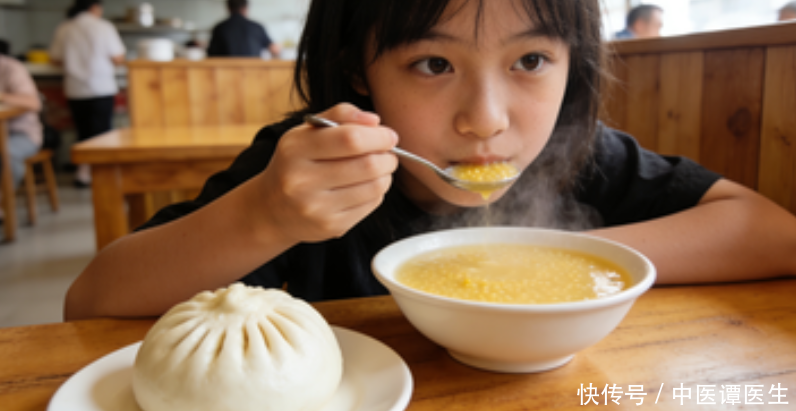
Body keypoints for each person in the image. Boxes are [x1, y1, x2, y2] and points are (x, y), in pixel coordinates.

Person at [65, 0, 796, 321]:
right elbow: (91, 303)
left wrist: (553, 262)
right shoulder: (309, 168)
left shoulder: (576, 153)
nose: (488, 119)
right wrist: (264, 215)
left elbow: (770, 233)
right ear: (358, 70)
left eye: (531, 60)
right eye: (433, 64)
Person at [49, 0, 125, 187]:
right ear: (94, 7)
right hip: (100, 87)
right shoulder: (103, 26)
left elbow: (55, 59)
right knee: (102, 133)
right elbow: (117, 58)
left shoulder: (65, 27)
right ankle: (102, 174)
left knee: (83, 132)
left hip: (75, 88)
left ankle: (83, 173)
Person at [0, 39, 43, 221]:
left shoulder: (11, 68)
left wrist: (2, 96)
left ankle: (3, 203)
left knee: (6, 153)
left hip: (21, 133)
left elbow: (34, 103)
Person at [207, 0, 281, 58]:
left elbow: (211, 54)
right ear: (245, 8)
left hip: (226, 71)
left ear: (228, 8)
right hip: (254, 69)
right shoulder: (257, 27)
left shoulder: (219, 28)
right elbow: (274, 49)